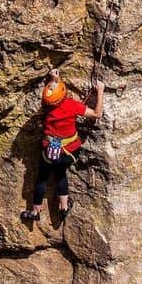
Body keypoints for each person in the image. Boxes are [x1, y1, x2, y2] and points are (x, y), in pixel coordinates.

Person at [21, 70, 104, 224]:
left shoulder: (45, 106)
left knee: (41, 178)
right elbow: (97, 114)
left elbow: (51, 95)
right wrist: (100, 91)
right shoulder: (70, 105)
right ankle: (63, 207)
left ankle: (35, 211)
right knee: (60, 173)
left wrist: (54, 78)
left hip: (49, 151)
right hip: (69, 151)